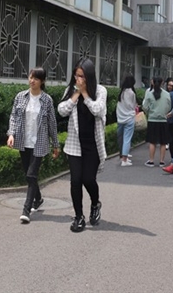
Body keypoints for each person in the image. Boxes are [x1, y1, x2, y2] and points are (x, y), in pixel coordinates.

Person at [58, 58, 107, 233]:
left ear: (89, 76)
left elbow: (98, 110)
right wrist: (75, 95)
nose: (78, 79)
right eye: (76, 75)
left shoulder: (100, 91)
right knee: (75, 181)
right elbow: (61, 110)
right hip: (74, 145)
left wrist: (85, 94)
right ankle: (79, 217)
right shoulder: (71, 90)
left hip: (92, 145)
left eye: (82, 76)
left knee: (88, 179)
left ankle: (95, 204)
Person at [7, 67, 60, 224]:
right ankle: (38, 199)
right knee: (29, 175)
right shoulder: (20, 97)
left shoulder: (47, 100)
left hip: (39, 143)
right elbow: (13, 116)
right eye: (31, 77)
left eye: (36, 78)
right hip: (23, 141)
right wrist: (11, 134)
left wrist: (55, 144)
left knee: (31, 175)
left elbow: (52, 123)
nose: (32, 81)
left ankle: (26, 210)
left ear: (42, 81)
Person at [142, 77, 172, 167]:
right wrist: (164, 112)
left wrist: (149, 112)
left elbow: (144, 106)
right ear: (162, 83)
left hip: (152, 119)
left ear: (153, 82)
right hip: (163, 120)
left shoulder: (149, 94)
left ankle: (151, 161)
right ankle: (162, 161)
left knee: (152, 141)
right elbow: (169, 106)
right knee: (163, 142)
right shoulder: (167, 94)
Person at [116, 75, 137, 167]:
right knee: (127, 139)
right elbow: (133, 105)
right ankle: (124, 159)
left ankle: (122, 157)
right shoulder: (132, 93)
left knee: (121, 138)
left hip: (120, 118)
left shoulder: (121, 92)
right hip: (129, 118)